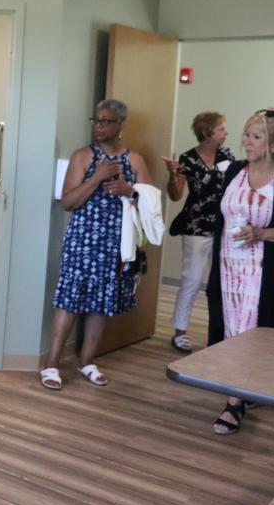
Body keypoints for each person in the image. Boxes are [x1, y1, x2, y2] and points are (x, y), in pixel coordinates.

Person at [39, 99, 152, 390]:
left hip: (117, 244)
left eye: (105, 121)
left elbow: (152, 206)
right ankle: (51, 364)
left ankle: (87, 360)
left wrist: (130, 191)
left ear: (120, 125)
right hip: (83, 241)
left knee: (103, 301)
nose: (99, 126)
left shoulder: (135, 160)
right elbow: (67, 202)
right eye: (96, 121)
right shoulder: (82, 157)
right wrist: (97, 177)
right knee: (70, 300)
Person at [205, 108, 274, 435]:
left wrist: (261, 233)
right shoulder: (235, 171)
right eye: (246, 134)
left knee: (250, 330)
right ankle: (242, 388)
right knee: (231, 330)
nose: (248, 142)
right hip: (228, 267)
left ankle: (234, 403)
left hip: (264, 272)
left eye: (257, 137)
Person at [162, 112, 234, 353]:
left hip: (223, 227)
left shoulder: (227, 156)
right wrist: (173, 174)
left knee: (222, 281)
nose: (226, 132)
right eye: (222, 128)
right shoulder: (188, 159)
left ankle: (222, 332)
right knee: (192, 279)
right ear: (208, 132)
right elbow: (175, 195)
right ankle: (180, 332)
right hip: (195, 228)